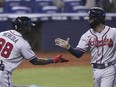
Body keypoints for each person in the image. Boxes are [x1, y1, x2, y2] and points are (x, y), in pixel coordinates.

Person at [55, 7, 116, 87]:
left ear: (98, 18)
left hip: (109, 69)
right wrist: (68, 47)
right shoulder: (86, 35)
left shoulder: (113, 32)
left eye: (90, 18)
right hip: (95, 70)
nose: (88, 20)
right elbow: (78, 53)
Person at [0, 16, 69, 87]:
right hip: (3, 74)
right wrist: (53, 60)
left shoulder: (2, 34)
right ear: (24, 28)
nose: (30, 29)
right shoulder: (22, 43)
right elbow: (35, 61)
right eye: (29, 27)